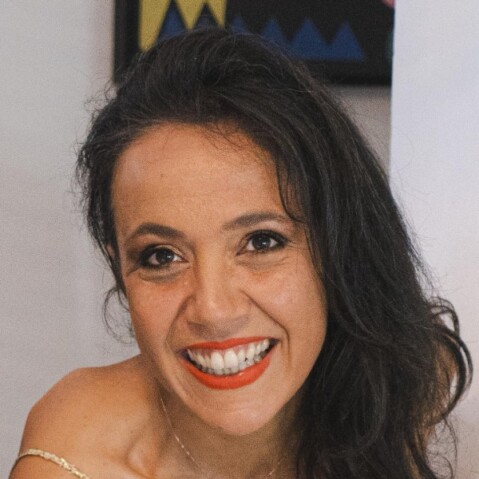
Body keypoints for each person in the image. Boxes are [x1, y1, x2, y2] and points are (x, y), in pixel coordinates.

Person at [11, 28, 472, 479]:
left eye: (261, 242)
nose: (214, 310)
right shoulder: (74, 465)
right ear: (119, 269)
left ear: (338, 244)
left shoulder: (402, 377)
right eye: (162, 257)